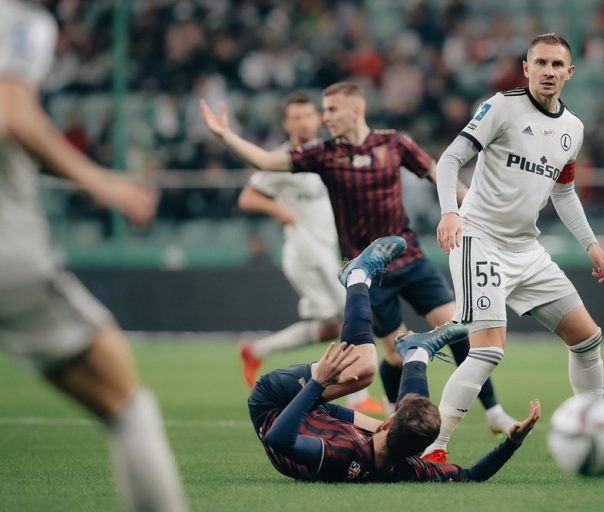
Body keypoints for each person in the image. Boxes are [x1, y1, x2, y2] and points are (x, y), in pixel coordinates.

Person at [200, 82, 515, 432]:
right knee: (396, 355)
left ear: (356, 109)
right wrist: (225, 134)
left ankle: (493, 412)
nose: (325, 117)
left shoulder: (394, 142)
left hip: (411, 259)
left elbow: (438, 173)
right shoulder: (323, 154)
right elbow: (263, 160)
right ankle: (398, 418)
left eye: (332, 109)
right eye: (325, 109)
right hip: (368, 274)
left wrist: (471, 208)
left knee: (459, 329)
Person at [427, 32, 604, 466]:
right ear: (526, 68)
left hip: (525, 250)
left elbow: (564, 193)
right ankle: (435, 449)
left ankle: (598, 436)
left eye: (556, 65)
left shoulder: (573, 129)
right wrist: (449, 212)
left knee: (587, 339)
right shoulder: (501, 107)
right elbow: (450, 159)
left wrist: (590, 244)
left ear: (569, 73)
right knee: (489, 350)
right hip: (478, 239)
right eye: (540, 63)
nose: (548, 72)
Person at [0, 2, 187, 510]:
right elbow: (12, 114)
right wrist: (99, 182)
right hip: (8, 254)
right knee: (128, 404)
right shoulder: (21, 22)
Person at [248, 236, 541, 482]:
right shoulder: (408, 467)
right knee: (414, 424)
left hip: (273, 404)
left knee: (363, 370)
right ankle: (416, 355)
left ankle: (357, 277)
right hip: (319, 417)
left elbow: (276, 439)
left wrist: (316, 384)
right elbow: (471, 475)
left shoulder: (343, 453)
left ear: (388, 424)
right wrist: (512, 442)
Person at [237, 92, 383, 414]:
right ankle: (358, 397)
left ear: (317, 119)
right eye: (296, 117)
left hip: (326, 250)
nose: (303, 121)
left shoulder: (326, 155)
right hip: (304, 252)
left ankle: (255, 349)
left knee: (331, 327)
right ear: (287, 123)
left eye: (308, 115)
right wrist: (277, 210)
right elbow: (247, 198)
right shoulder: (282, 160)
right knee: (354, 314)